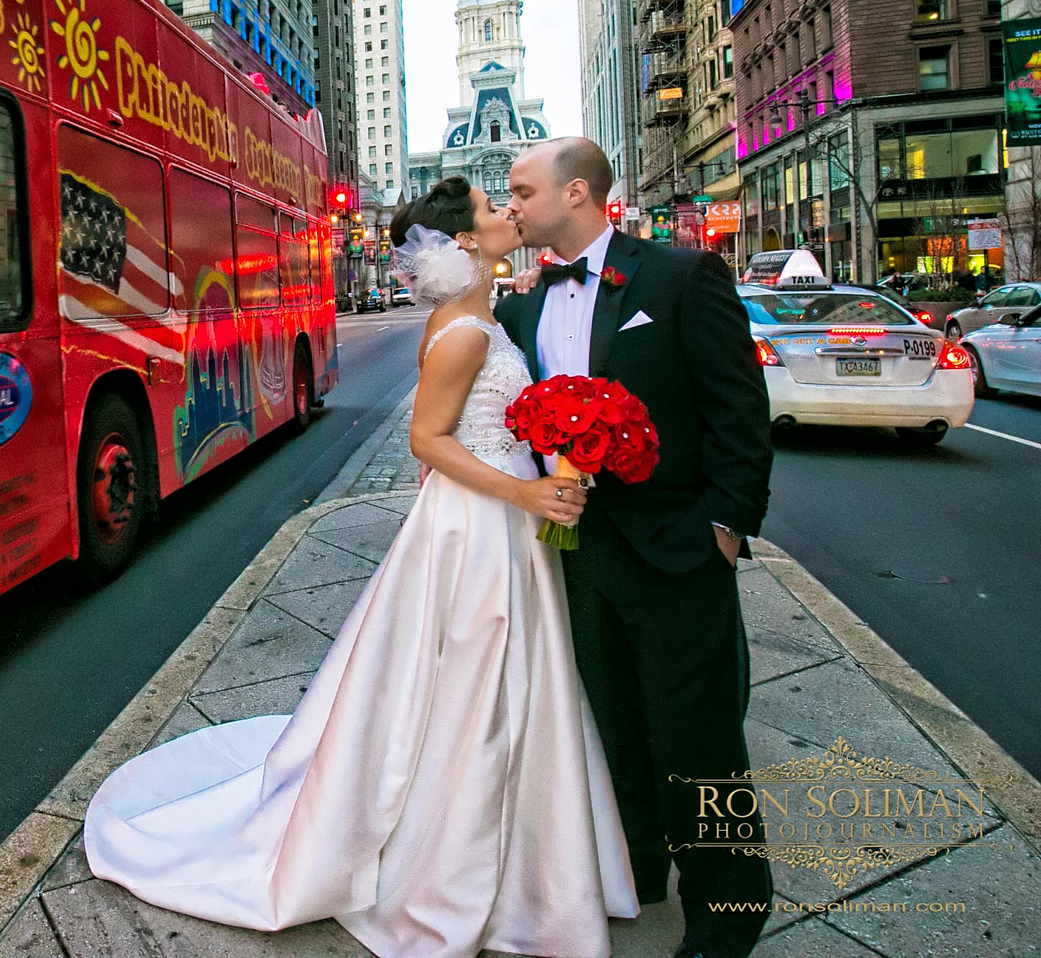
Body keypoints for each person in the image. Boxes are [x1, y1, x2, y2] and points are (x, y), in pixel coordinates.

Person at [86, 176, 638, 958]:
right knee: (481, 686)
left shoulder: (484, 315)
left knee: (488, 683)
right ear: (463, 242)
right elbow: (427, 441)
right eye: (491, 209)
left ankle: (519, 854)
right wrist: (528, 489)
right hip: (482, 525)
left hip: (491, 520)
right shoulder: (467, 331)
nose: (508, 213)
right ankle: (469, 863)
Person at [498, 138, 773, 958]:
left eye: (520, 191)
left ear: (576, 192)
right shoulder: (520, 304)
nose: (509, 205)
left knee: (699, 737)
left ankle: (730, 911)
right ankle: (637, 870)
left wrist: (725, 528)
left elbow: (737, 408)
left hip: (678, 551)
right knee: (611, 724)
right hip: (575, 553)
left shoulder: (680, 277)